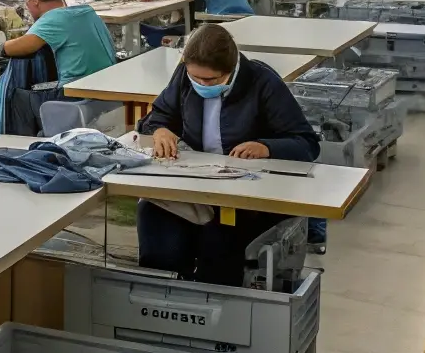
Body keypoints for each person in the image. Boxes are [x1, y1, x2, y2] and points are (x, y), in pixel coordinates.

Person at [135, 25, 320, 285]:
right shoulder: (186, 76)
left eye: (209, 81)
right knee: (152, 215)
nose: (200, 85)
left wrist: (266, 147)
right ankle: (165, 295)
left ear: (231, 69)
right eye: (194, 78)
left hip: (246, 195)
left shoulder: (262, 82)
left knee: (219, 236)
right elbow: (158, 115)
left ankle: (213, 303)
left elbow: (307, 144)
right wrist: (161, 130)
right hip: (196, 186)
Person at [3, 0, 118, 85]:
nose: (27, 8)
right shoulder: (86, 11)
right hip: (108, 81)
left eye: (27, 3)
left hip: (80, 90)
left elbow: (20, 47)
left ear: (35, 1)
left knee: (19, 97)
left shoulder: (52, 18)